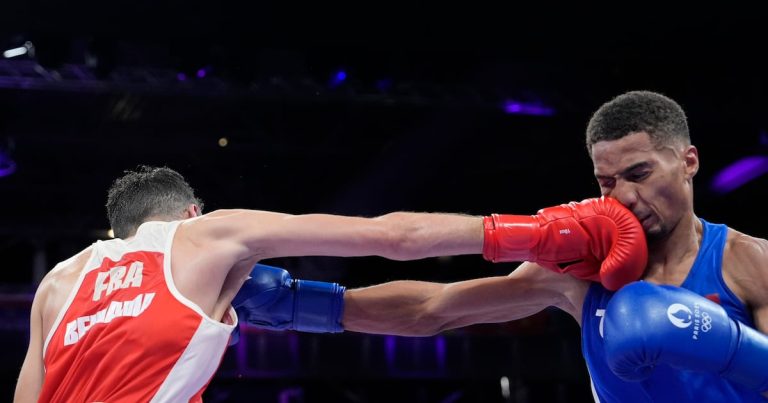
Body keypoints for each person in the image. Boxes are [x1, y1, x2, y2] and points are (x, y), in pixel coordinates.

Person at [234, 91, 768, 402]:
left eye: (639, 173)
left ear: (688, 161)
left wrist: (722, 347)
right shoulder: (579, 270)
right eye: (607, 182)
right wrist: (297, 304)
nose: (624, 196)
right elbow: (434, 309)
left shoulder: (750, 262)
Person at [13, 166, 644, 402]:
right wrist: (544, 232)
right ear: (189, 213)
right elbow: (391, 238)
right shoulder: (206, 236)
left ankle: (549, 273)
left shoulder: (58, 284)